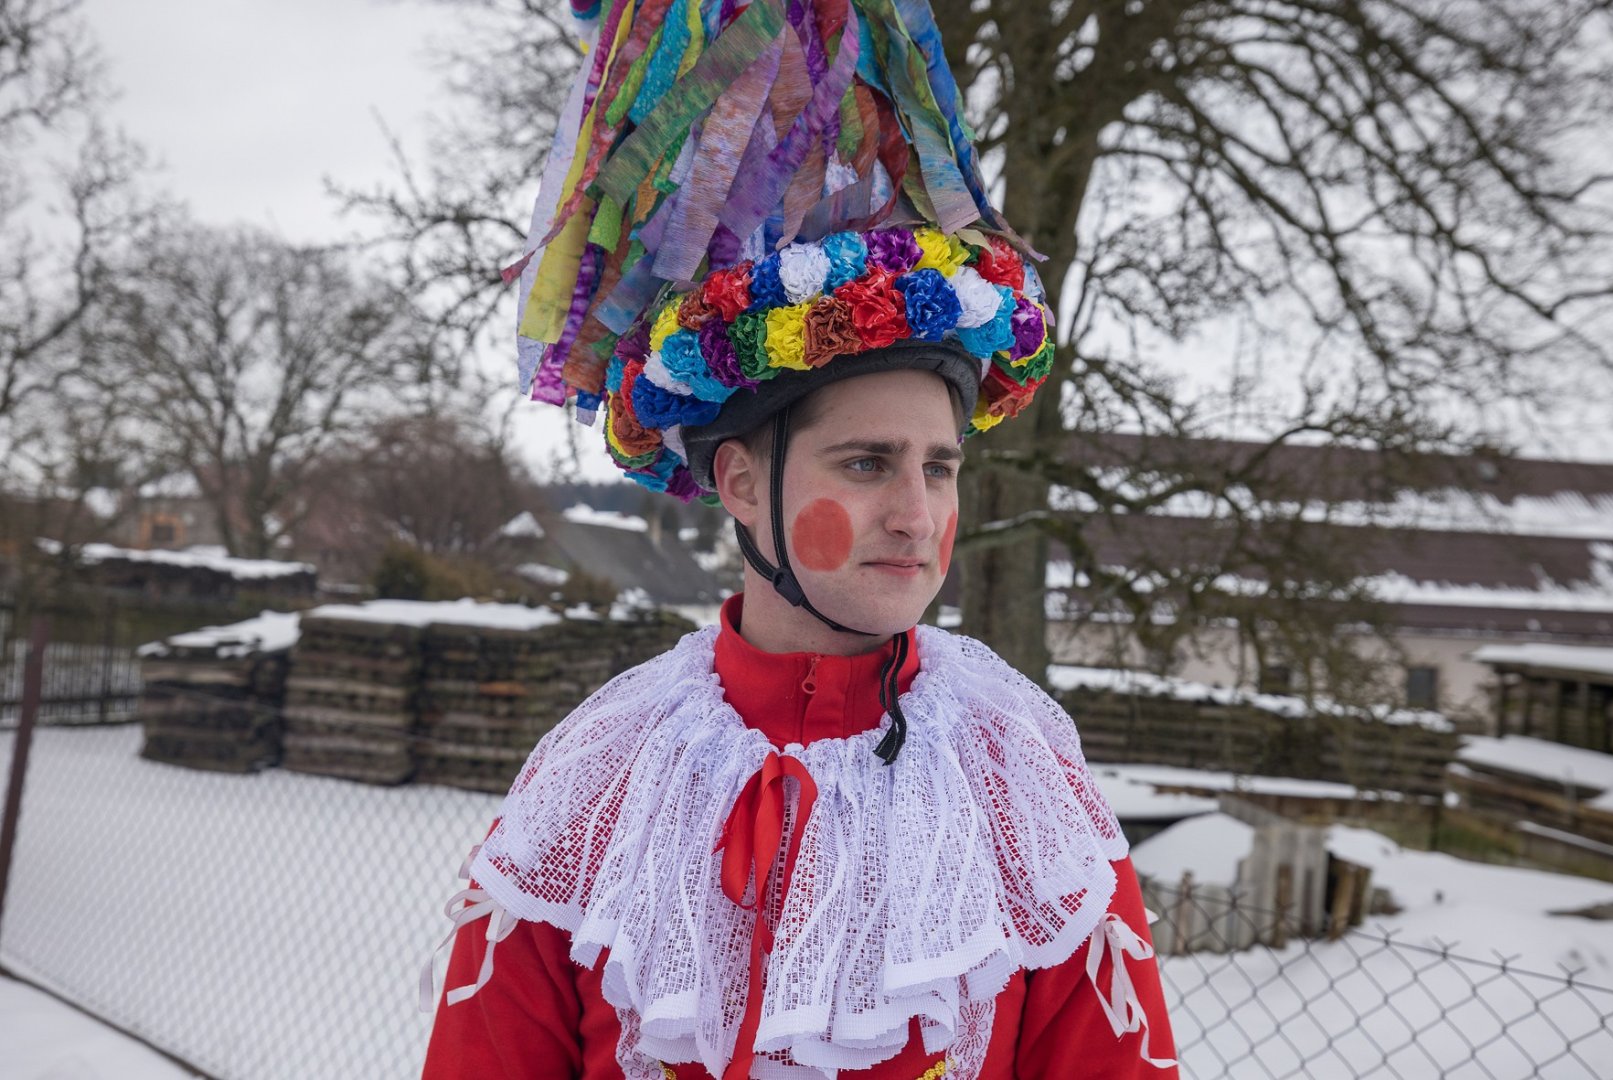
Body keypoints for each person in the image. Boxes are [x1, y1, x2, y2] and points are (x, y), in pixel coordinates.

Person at [422, 2, 1179, 1076]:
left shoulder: (1022, 787)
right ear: (740, 481)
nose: (916, 516)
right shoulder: (596, 784)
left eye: (940, 467)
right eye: (867, 464)